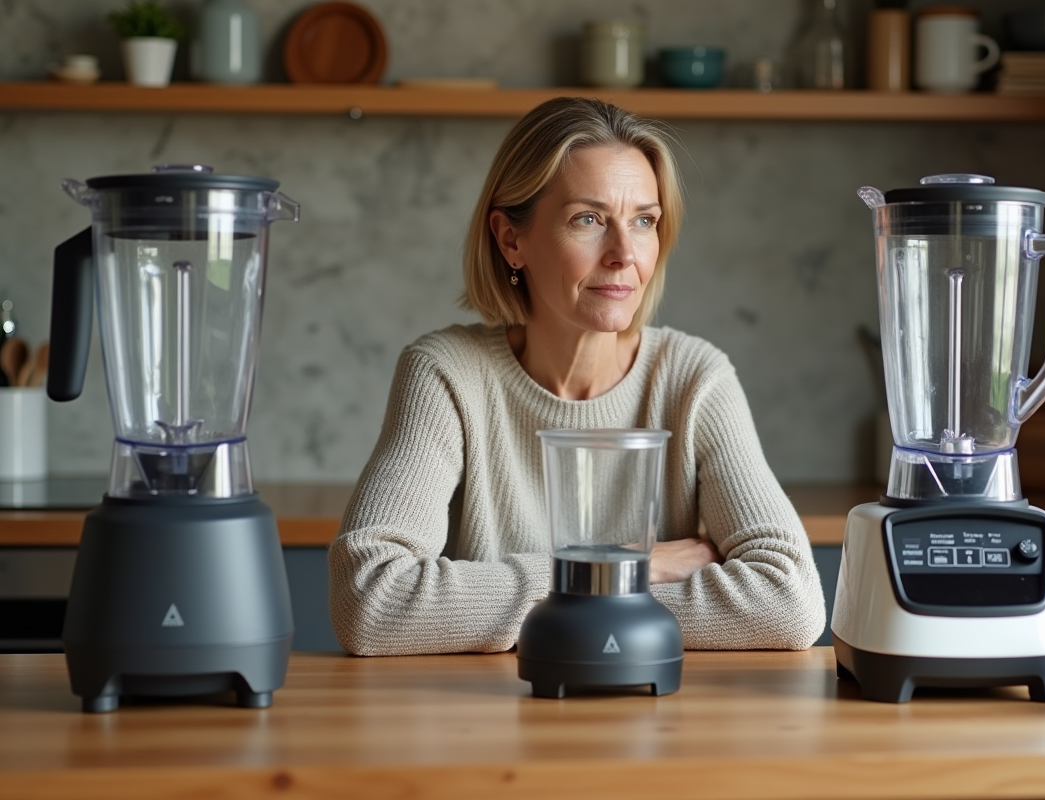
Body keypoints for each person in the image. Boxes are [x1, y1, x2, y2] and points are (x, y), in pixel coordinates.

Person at [328, 96, 825, 656]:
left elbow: (790, 602)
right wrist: (630, 565)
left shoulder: (694, 378)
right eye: (587, 219)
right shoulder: (446, 374)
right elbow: (369, 602)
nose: (623, 254)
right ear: (510, 238)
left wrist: (550, 597)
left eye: (644, 221)